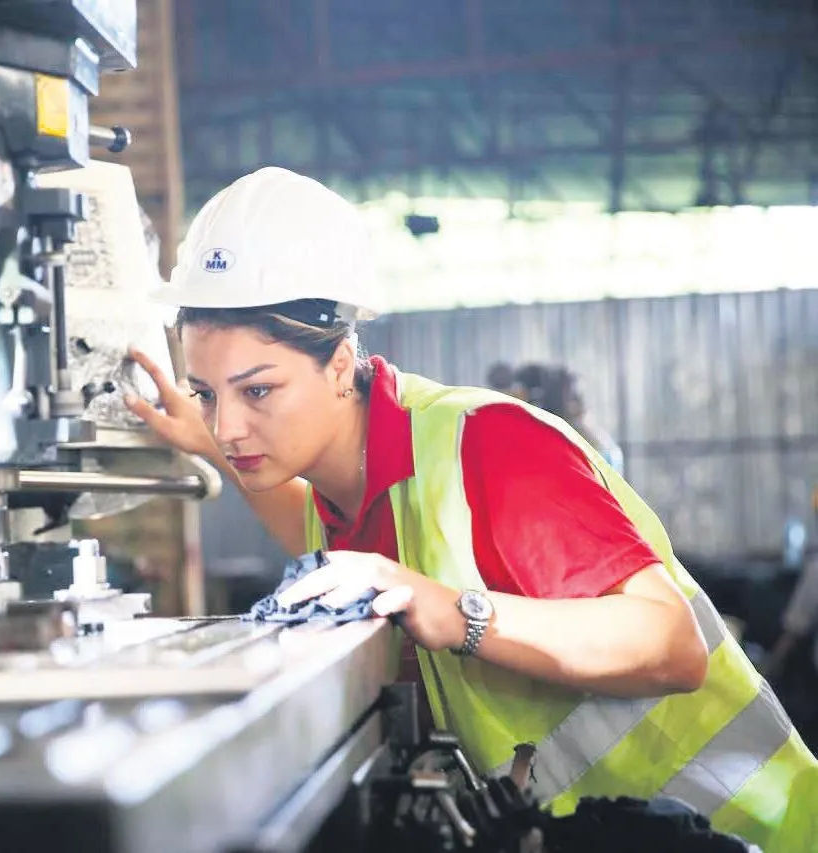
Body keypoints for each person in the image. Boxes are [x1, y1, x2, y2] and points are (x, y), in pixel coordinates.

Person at [125, 167, 817, 852]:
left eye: (256, 391)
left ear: (339, 363)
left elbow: (672, 644)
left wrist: (455, 611)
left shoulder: (486, 443)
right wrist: (211, 446)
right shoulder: (347, 497)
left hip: (754, 831)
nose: (227, 427)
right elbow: (301, 515)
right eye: (208, 394)